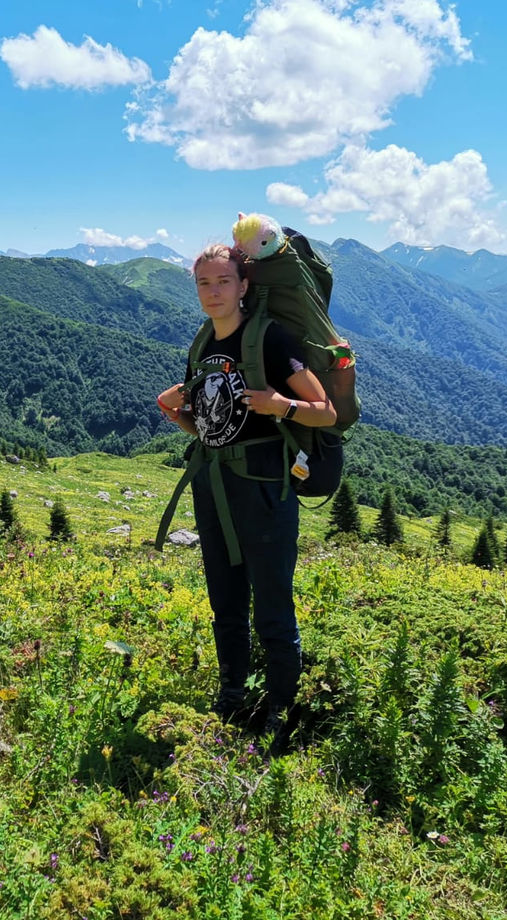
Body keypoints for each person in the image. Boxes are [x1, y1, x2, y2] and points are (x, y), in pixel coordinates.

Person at [157, 243, 337, 751]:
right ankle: (232, 696)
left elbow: (324, 411)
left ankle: (281, 706)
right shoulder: (200, 346)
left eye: (222, 282)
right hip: (212, 486)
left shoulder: (269, 339)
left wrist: (280, 404)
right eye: (203, 284)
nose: (212, 292)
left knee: (272, 603)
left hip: (263, 486)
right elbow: (209, 428)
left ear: (243, 287)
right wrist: (176, 414)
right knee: (225, 599)